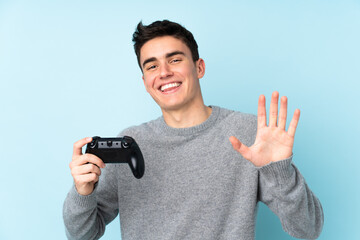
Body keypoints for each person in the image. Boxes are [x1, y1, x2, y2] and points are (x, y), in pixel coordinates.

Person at [63, 20, 324, 240]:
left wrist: (280, 171)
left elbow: (307, 229)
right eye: (152, 66)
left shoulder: (248, 133)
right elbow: (82, 234)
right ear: (145, 82)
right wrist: (82, 192)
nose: (164, 72)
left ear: (199, 67)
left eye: (174, 59)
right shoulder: (130, 142)